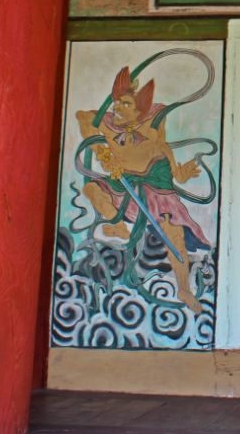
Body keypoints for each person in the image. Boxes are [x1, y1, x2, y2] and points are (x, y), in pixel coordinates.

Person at [77, 68, 209, 312]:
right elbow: (83, 117)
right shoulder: (109, 122)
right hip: (123, 182)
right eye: (116, 102)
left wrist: (178, 172)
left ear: (140, 110)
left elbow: (162, 146)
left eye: (125, 104)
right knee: (92, 190)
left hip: (155, 184)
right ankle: (117, 224)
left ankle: (183, 289)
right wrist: (103, 153)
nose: (117, 107)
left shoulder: (152, 122)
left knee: (174, 235)